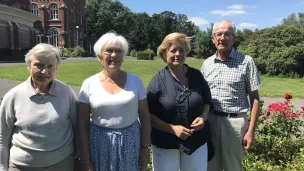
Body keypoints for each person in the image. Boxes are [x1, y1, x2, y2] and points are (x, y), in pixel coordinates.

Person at [77, 32, 151, 171]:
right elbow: (83, 123)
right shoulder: (89, 84)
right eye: (109, 51)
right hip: (99, 143)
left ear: (123, 56)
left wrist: (145, 148)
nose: (114, 55)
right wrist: (85, 159)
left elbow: (145, 116)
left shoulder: (136, 81)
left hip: (130, 142)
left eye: (118, 51)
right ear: (99, 56)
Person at [0, 43, 78, 171]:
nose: (44, 71)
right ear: (28, 67)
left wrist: (80, 158)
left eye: (50, 66)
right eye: (39, 65)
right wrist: (2, 167)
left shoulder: (66, 93)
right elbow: (2, 137)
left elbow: (77, 128)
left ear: (56, 68)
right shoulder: (13, 96)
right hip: (22, 166)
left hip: (62, 164)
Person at [201, 20, 262, 171]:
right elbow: (202, 96)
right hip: (211, 121)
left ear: (234, 38)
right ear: (213, 38)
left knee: (233, 167)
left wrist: (250, 131)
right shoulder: (207, 64)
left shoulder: (246, 62)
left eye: (227, 34)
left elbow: (255, 99)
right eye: (219, 34)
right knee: (210, 166)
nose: (223, 37)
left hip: (235, 123)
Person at [147, 33, 212, 171]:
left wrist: (203, 117)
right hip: (165, 143)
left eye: (181, 50)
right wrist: (172, 129)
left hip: (196, 141)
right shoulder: (157, 82)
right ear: (164, 53)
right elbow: (148, 115)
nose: (178, 54)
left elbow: (207, 100)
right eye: (173, 50)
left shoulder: (196, 76)